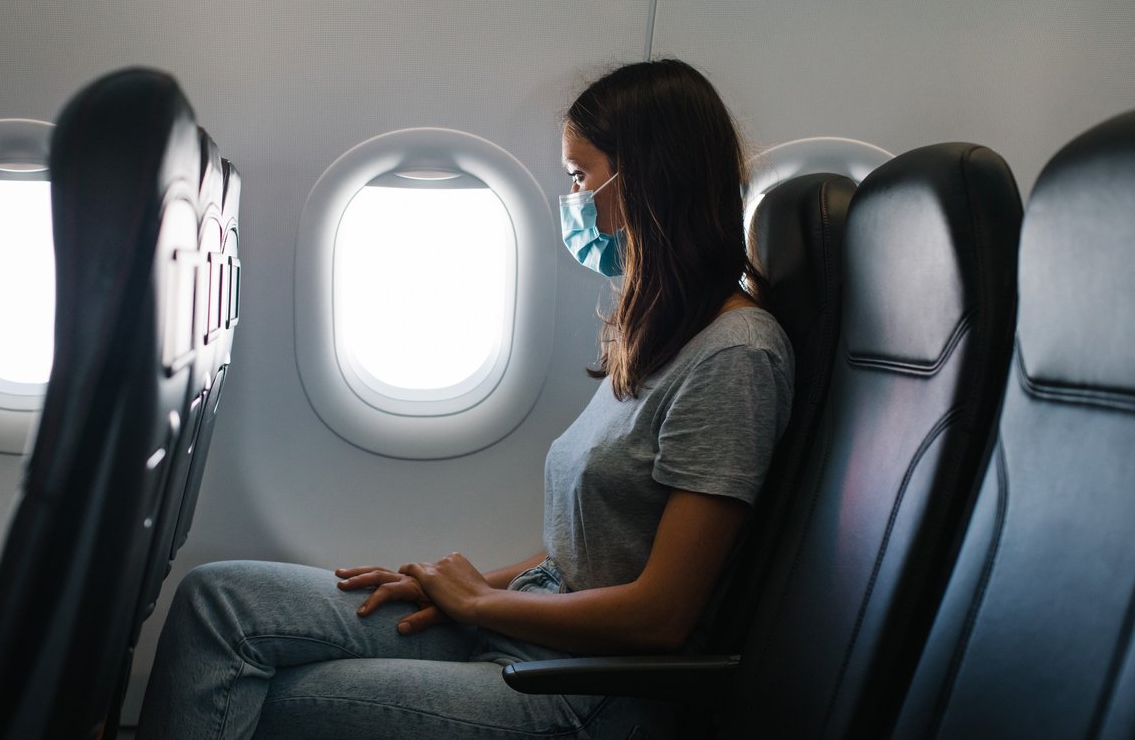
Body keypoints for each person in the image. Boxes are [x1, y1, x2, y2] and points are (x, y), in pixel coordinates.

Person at [137, 59, 793, 739]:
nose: (571, 198)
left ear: (649, 180)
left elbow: (661, 616)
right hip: (534, 630)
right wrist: (460, 590)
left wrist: (479, 603)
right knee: (218, 602)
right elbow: (584, 561)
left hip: (586, 689)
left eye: (580, 175)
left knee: (262, 696)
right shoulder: (663, 337)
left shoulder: (734, 356)